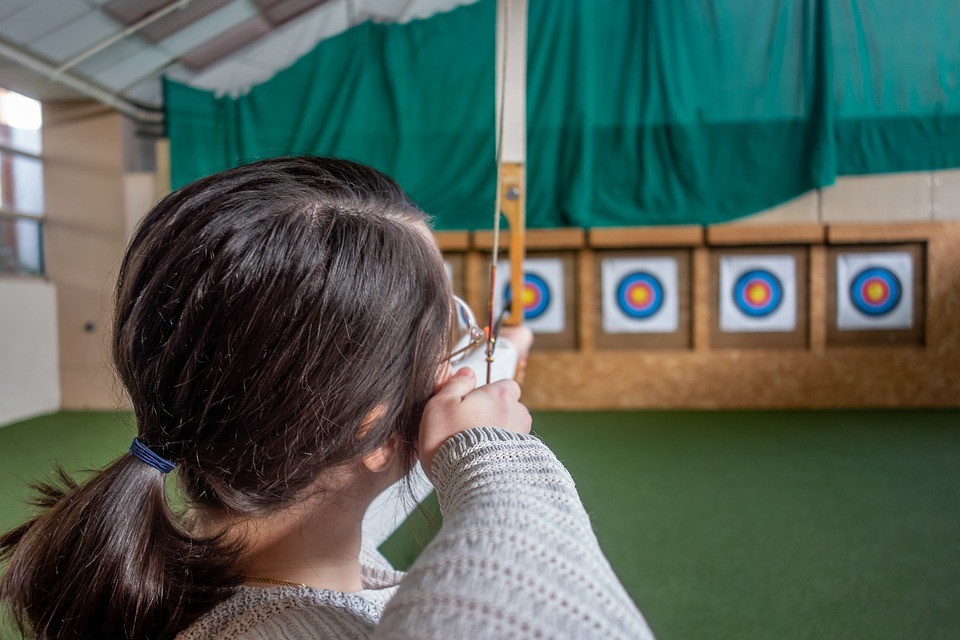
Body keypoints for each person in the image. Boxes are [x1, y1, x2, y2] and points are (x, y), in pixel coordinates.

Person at [0, 157, 654, 639]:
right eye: (447, 344)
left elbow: (353, 468)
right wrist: (492, 453)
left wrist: (506, 347)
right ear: (361, 430)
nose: (460, 368)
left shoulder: (227, 557)